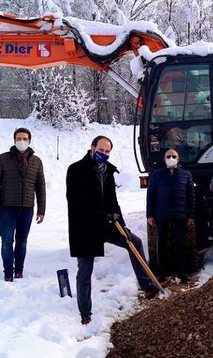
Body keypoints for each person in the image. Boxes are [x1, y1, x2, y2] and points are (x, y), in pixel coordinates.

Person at [66, 136, 159, 325]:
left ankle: (146, 285)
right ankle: (85, 312)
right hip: (85, 227)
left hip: (107, 225)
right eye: (101, 150)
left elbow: (113, 201)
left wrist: (122, 225)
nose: (104, 154)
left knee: (134, 242)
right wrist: (103, 216)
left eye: (108, 151)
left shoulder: (108, 171)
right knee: (85, 270)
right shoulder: (76, 170)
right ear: (92, 148)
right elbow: (76, 202)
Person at [0, 127, 46, 282]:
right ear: (14, 140)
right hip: (7, 208)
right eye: (19, 138)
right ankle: (8, 273)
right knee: (7, 242)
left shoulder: (36, 161)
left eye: (25, 139)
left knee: (22, 242)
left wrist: (41, 210)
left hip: (27, 209)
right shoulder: (3, 159)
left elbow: (40, 187)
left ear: (29, 141)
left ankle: (19, 271)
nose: (22, 141)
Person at [146, 148, 195, 284]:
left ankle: (181, 273)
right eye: (169, 156)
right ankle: (161, 274)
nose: (171, 158)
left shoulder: (186, 175)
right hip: (161, 215)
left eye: (174, 156)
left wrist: (190, 215)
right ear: (164, 159)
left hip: (179, 215)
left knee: (179, 244)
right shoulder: (157, 175)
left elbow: (191, 196)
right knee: (161, 244)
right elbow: (151, 195)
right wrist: (150, 214)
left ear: (178, 159)